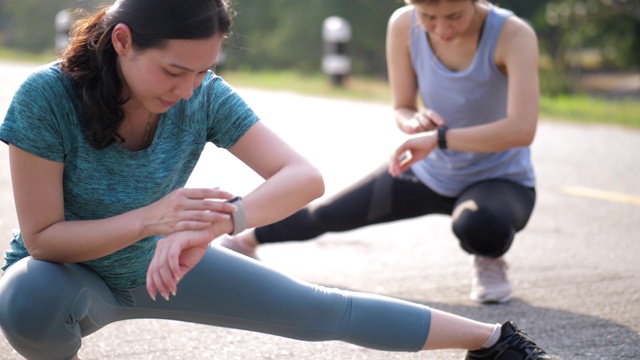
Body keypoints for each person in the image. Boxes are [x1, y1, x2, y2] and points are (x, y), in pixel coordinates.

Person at [0, 0, 553, 359]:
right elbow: (45, 237)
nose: (189, 89)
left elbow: (303, 177)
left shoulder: (204, 94)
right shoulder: (45, 97)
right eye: (174, 71)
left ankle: (496, 346)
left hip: (166, 264)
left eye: (203, 70)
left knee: (320, 311)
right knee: (25, 295)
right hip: (66, 276)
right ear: (122, 42)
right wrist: (153, 217)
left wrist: (218, 223)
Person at [221, 0, 540, 305]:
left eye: (454, 16)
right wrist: (413, 120)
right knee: (328, 213)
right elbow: (402, 107)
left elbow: (522, 130)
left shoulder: (513, 34)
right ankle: (246, 241)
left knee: (481, 225)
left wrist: (439, 139)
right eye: (428, 17)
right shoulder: (403, 24)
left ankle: (489, 259)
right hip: (429, 170)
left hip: (500, 180)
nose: (441, 29)